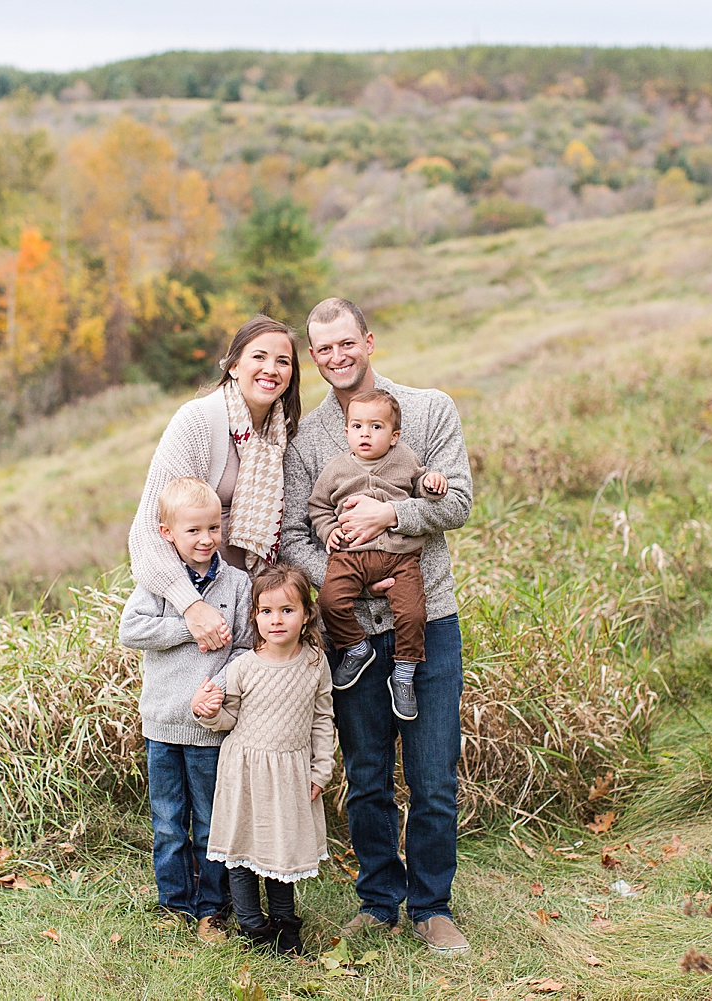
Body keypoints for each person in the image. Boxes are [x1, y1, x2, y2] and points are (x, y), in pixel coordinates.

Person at [280, 297, 474, 955]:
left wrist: (392, 521)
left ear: (369, 340)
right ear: (315, 354)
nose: (336, 357)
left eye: (346, 343)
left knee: (432, 775)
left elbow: (459, 501)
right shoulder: (309, 441)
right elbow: (294, 532)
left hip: (429, 618)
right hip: (354, 632)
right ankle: (378, 900)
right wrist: (356, 575)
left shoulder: (428, 410)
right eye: (323, 348)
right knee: (365, 775)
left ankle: (432, 905)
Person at [120, 477, 253, 942]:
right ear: (167, 533)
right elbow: (131, 630)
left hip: (207, 726)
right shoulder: (160, 585)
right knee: (168, 822)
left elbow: (243, 648)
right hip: (161, 723)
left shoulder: (237, 583)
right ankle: (173, 903)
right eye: (193, 530)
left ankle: (212, 908)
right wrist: (189, 625)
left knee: (210, 821)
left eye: (213, 528)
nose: (205, 539)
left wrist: (216, 685)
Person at [128, 315, 301, 657]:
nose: (271, 368)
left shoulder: (283, 434)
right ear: (234, 365)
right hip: (199, 606)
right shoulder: (198, 422)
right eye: (259, 357)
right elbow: (148, 530)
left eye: (283, 361)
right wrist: (191, 607)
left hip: (255, 609)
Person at [191, 563, 334, 958]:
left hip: (290, 771)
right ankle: (253, 925)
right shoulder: (244, 666)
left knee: (280, 848)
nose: (276, 620)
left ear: (306, 614)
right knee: (241, 849)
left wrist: (322, 768)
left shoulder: (314, 662)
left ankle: (286, 925)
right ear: (254, 615)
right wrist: (208, 712)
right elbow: (228, 719)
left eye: (287, 610)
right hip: (244, 770)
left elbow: (323, 718)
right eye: (266, 611)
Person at [308, 388, 448, 720]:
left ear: (394, 435)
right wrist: (330, 531)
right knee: (329, 601)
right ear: (347, 431)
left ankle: (404, 674)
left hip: (401, 557)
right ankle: (356, 647)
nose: (365, 434)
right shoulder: (336, 468)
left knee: (413, 614)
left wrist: (432, 481)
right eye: (357, 427)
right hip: (350, 556)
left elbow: (421, 487)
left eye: (376, 427)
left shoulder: (405, 458)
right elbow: (318, 507)